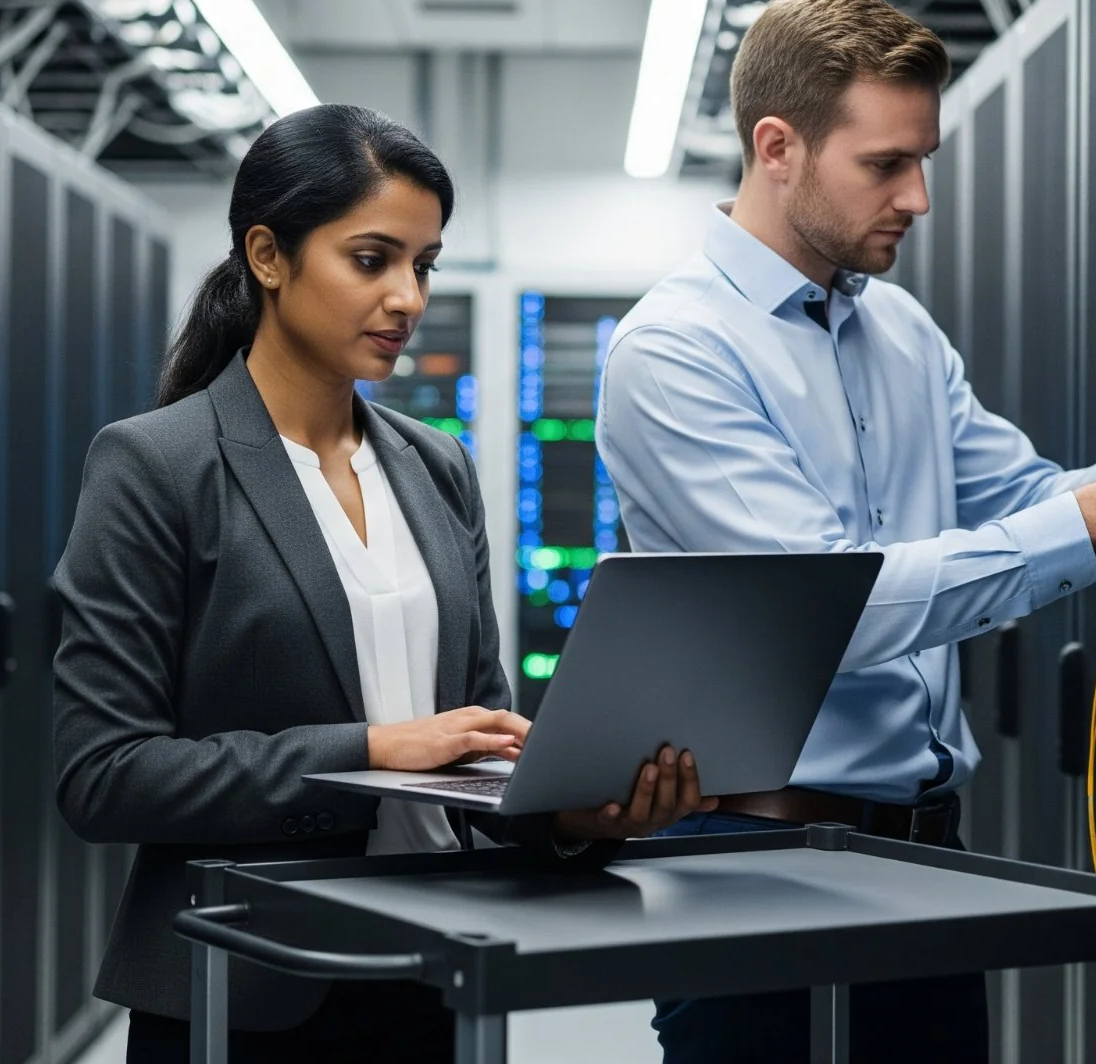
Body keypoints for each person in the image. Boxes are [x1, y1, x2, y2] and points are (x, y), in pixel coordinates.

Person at [595, 0, 1096, 1063]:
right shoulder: (676, 352)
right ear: (777, 147)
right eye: (884, 164)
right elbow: (826, 607)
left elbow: (1030, 502)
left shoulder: (900, 330)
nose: (916, 196)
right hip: (749, 860)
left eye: (923, 159)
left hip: (921, 856)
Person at [53, 105, 714, 1064]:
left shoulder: (435, 467)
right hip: (247, 986)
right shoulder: (157, 466)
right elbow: (103, 775)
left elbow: (477, 740)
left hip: (434, 975)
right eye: (372, 260)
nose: (408, 297)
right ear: (269, 256)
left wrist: (570, 814)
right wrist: (369, 752)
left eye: (425, 265)